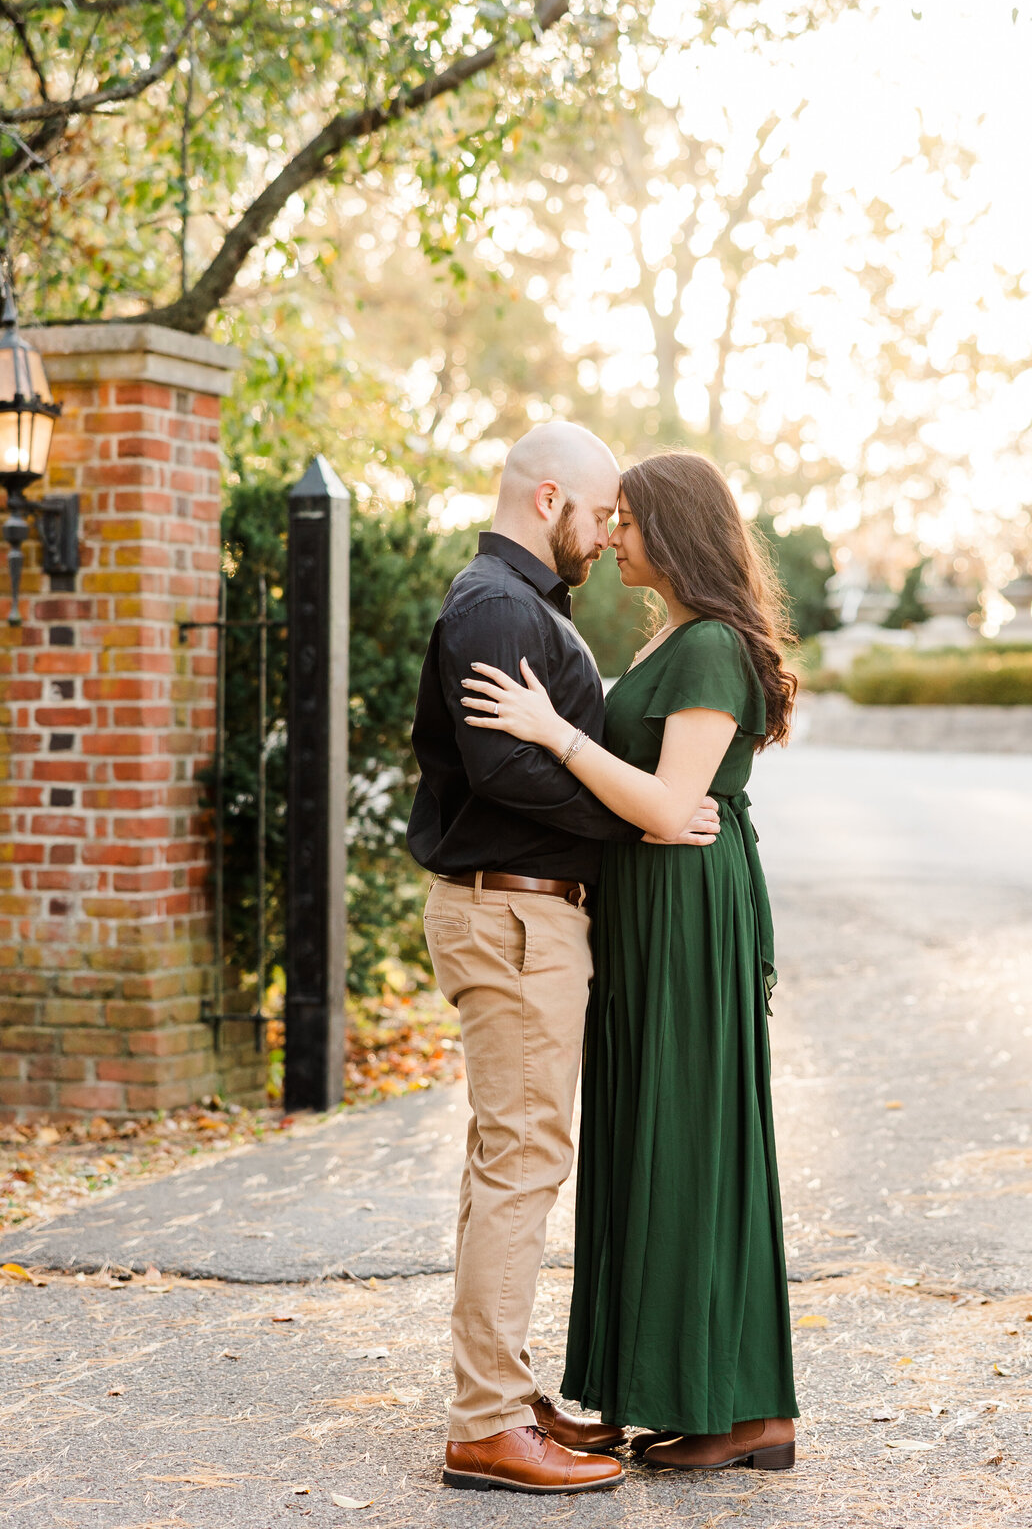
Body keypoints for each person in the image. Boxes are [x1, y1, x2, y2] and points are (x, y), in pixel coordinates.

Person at [461, 449, 799, 1474]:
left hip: (688, 912)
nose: (612, 538)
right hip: (652, 911)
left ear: (676, 532)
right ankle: (696, 1393)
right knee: (659, 1135)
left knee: (691, 1139)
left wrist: (553, 733)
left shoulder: (707, 649)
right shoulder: (674, 636)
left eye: (630, 522)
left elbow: (663, 810)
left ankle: (742, 1411)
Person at [407, 424, 722, 1496]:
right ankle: (486, 1424)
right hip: (514, 918)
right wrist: (639, 824)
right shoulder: (497, 605)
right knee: (524, 1161)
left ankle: (499, 1390)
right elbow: (503, 773)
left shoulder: (522, 604)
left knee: (509, 1156)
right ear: (551, 499)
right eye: (599, 515)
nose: (606, 536)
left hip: (523, 918)